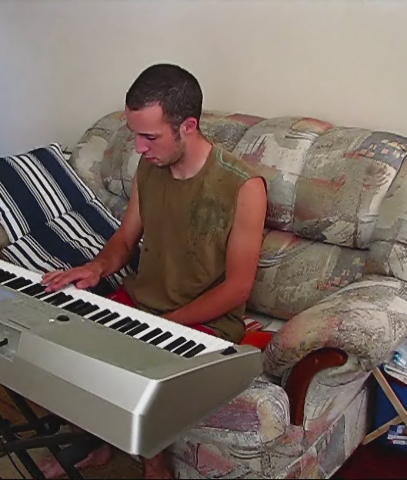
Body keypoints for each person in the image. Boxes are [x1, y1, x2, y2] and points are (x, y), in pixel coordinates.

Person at [40, 63, 268, 479]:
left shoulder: (243, 186)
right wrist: (96, 268)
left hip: (205, 317)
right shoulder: (150, 166)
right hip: (144, 299)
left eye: (150, 136)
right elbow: (125, 240)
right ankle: (96, 443)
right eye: (135, 135)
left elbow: (237, 288)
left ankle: (155, 463)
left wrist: (164, 325)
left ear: (188, 127)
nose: (140, 148)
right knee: (66, 337)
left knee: (143, 365)